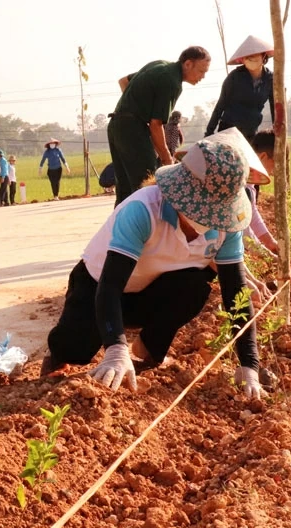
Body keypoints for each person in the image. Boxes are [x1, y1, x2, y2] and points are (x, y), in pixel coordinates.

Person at [41, 130, 268, 400]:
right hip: (97, 287)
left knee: (195, 286)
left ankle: (148, 351)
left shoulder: (226, 227)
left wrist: (249, 366)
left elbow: (236, 295)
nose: (211, 219)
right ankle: (60, 357)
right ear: (183, 194)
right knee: (74, 349)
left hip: (150, 290)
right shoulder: (143, 211)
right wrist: (115, 349)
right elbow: (110, 285)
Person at [108, 46, 212, 207]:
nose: (203, 76)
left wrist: (136, 107)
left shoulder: (160, 65)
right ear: (188, 64)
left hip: (116, 125)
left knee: (126, 189)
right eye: (201, 71)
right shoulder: (172, 82)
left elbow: (124, 81)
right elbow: (156, 125)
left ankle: (117, 229)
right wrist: (167, 160)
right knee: (148, 185)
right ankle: (147, 229)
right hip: (132, 130)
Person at [205, 35, 275, 141]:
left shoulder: (270, 79)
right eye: (248, 57)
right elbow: (220, 105)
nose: (251, 59)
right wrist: (209, 132)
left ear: (263, 56)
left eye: (255, 55)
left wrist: (277, 129)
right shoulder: (234, 77)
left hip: (251, 131)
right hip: (229, 130)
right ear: (243, 60)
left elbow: (275, 106)